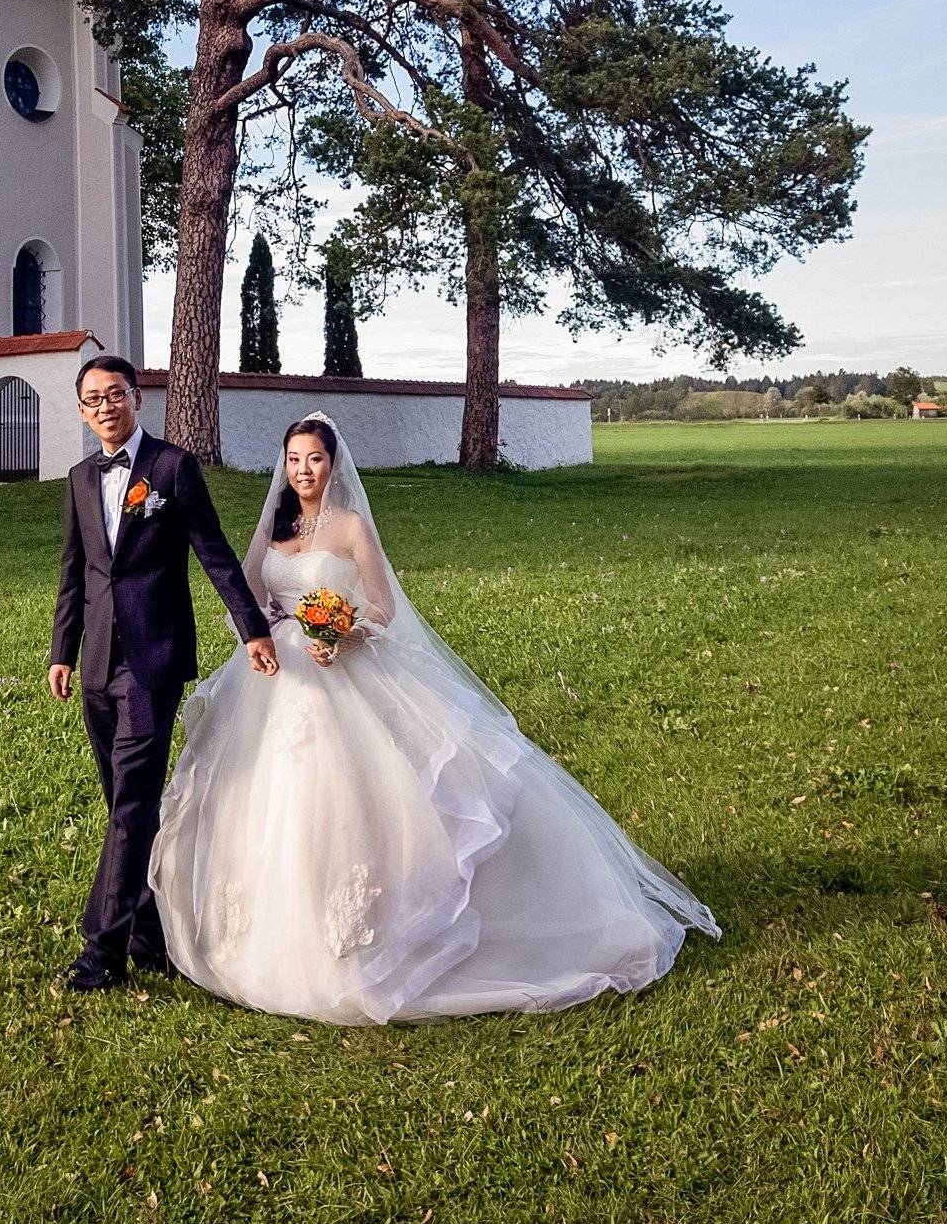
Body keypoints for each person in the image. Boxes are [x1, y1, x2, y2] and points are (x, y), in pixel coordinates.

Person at [149, 415, 718, 1022]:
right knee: (264, 796)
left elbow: (384, 606)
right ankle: (264, 934)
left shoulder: (351, 526)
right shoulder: (274, 526)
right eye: (292, 460)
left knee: (346, 797)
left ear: (332, 465)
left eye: (313, 459)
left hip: (339, 666)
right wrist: (273, 627)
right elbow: (255, 593)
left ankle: (371, 937)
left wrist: (343, 631)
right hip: (277, 674)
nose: (302, 471)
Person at [44, 352, 276, 992]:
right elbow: (75, 572)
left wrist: (252, 628)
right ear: (84, 410)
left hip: (153, 660)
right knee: (124, 801)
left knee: (134, 801)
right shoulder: (78, 478)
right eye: (91, 400)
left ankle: (102, 950)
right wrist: (63, 650)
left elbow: (215, 553)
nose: (104, 408)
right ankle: (149, 931)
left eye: (114, 395)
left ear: (136, 398)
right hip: (96, 662)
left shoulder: (172, 468)